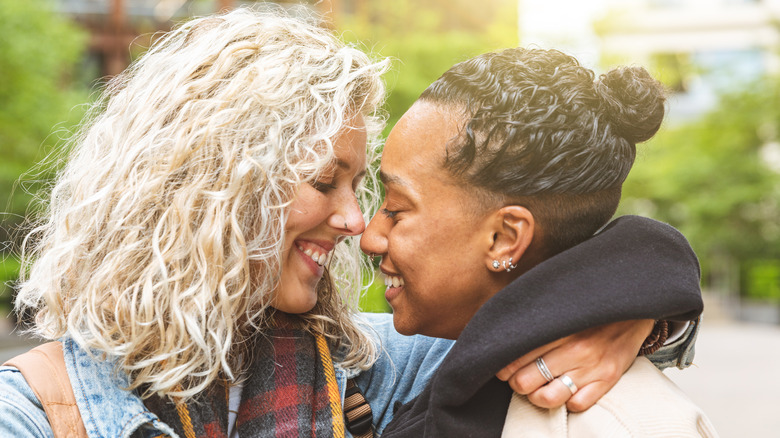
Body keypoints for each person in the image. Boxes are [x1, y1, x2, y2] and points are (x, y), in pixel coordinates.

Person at [0, 8, 698, 438]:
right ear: (210, 188)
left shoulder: (370, 367)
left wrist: (631, 308)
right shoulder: (33, 413)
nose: (355, 221)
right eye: (323, 181)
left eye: (367, 190)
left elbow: (534, 287)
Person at [360, 47, 716, 436]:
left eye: (396, 208)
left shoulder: (627, 425)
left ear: (503, 238)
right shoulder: (445, 366)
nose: (369, 237)